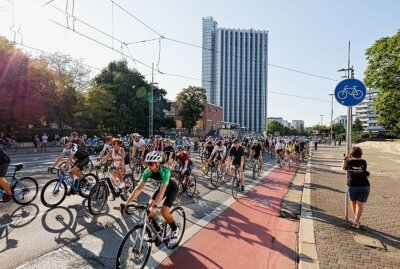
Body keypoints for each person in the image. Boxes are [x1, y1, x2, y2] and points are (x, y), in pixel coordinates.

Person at [122, 151, 180, 245]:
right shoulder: (148, 171)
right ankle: (158, 229)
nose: (148, 166)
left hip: (173, 188)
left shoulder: (165, 171)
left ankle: (174, 229)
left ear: (157, 163)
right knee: (149, 209)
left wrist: (155, 206)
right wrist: (127, 202)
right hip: (162, 186)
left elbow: (162, 192)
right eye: (147, 163)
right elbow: (139, 188)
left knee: (164, 211)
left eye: (151, 163)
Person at [342, 146, 370, 229]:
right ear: (361, 154)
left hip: (352, 185)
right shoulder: (364, 162)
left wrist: (344, 159)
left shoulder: (349, 162)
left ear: (351, 154)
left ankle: (356, 220)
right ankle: (356, 220)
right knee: (360, 204)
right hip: (364, 185)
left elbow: (343, 168)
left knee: (353, 202)